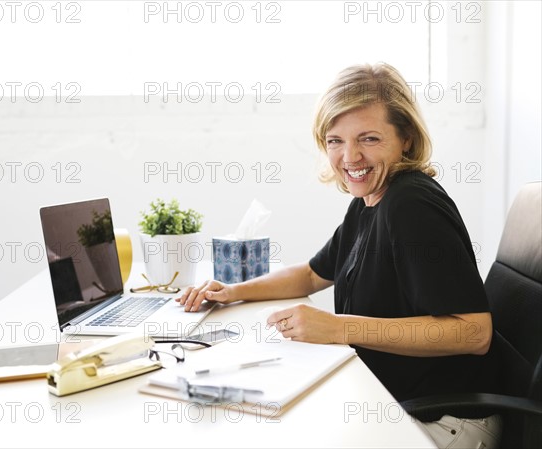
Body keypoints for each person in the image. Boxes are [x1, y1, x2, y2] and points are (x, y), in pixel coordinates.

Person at [176, 63, 501, 449]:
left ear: (407, 139)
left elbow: (474, 332)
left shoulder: (411, 204)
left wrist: (337, 327)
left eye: (369, 138)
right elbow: (312, 275)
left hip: (444, 422)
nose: (351, 157)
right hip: (396, 403)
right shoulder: (368, 202)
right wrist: (232, 291)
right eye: (335, 141)